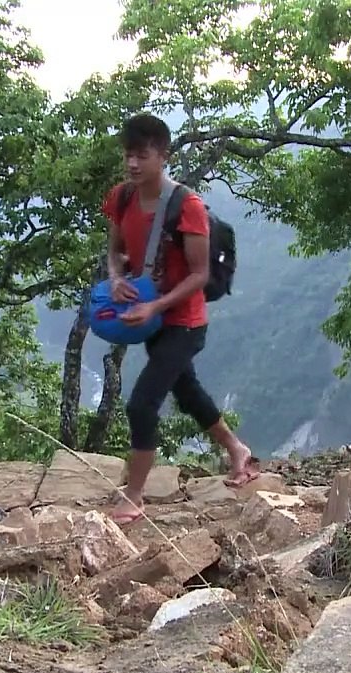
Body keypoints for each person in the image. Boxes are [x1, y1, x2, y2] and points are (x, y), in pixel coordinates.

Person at [102, 113, 257, 525]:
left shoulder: (185, 205)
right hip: (151, 318)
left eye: (143, 156)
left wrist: (155, 305)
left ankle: (134, 496)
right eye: (129, 156)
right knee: (187, 392)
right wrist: (116, 278)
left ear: (163, 156)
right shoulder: (122, 198)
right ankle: (238, 450)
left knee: (142, 403)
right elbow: (115, 252)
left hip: (184, 321)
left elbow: (199, 274)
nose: (134, 164)